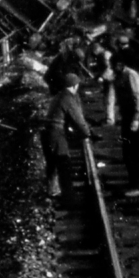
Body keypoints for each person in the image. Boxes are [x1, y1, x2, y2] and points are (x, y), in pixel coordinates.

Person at [41, 73, 100, 203]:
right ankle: (69, 199)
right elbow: (78, 120)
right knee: (64, 165)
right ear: (74, 85)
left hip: (46, 133)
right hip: (56, 134)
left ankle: (51, 192)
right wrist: (88, 133)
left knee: (52, 164)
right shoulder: (68, 98)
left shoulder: (58, 96)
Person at [111, 54, 139, 197]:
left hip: (134, 117)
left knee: (133, 151)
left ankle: (137, 186)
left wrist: (136, 118)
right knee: (127, 151)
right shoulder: (118, 75)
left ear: (121, 64)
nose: (114, 68)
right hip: (127, 117)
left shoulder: (131, 75)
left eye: (116, 65)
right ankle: (132, 183)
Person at [89, 42, 115, 125]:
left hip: (112, 79)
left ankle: (110, 120)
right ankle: (108, 117)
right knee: (106, 99)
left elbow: (110, 68)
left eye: (94, 51)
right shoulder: (102, 55)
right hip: (108, 79)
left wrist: (102, 77)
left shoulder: (105, 55)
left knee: (109, 99)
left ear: (98, 49)